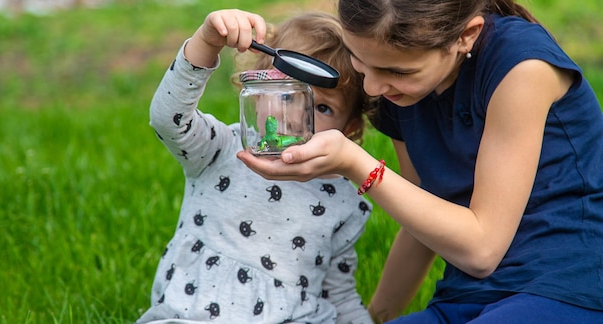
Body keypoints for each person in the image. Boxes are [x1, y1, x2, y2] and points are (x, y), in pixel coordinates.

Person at [237, 0, 603, 322]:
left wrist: (356, 164)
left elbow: (481, 250)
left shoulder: (521, 67)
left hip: (565, 290)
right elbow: (422, 221)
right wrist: (375, 319)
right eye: (359, 61)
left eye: (397, 72)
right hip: (464, 299)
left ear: (466, 36)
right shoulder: (399, 94)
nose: (371, 90)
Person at [137, 9, 374, 324]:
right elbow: (168, 121)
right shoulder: (220, 148)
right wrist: (206, 43)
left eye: (322, 107)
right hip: (193, 313)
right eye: (286, 96)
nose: (294, 117)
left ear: (350, 129)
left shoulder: (346, 201)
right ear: (258, 91)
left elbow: (340, 296)